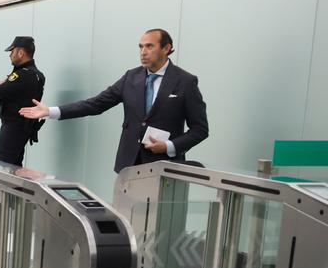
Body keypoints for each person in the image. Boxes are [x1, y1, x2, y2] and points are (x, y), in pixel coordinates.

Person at [20, 28, 208, 172]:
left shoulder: (185, 82)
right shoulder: (130, 78)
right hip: (129, 166)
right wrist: (51, 111)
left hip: (166, 168)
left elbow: (200, 129)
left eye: (149, 46)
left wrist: (169, 146)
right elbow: (96, 104)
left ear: (166, 48)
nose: (143, 51)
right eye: (141, 46)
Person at [0, 36, 46, 167]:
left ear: (21, 53)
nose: (10, 55)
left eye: (12, 51)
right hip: (24, 127)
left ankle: (7, 188)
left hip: (13, 126)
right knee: (15, 165)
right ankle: (17, 188)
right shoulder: (37, 75)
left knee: (5, 165)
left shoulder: (23, 75)